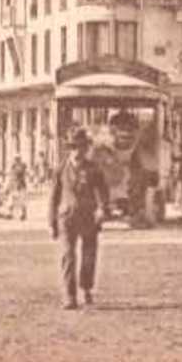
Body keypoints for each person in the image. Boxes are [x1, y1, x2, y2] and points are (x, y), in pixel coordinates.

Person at [49, 128, 109, 309]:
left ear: (85, 149)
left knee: (89, 255)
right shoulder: (60, 169)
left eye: (81, 147)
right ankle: (70, 296)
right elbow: (54, 197)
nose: (77, 151)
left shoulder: (93, 169)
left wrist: (101, 208)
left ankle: (87, 287)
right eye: (74, 147)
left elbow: (102, 192)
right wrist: (51, 222)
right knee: (67, 255)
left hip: (88, 218)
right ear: (69, 149)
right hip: (67, 218)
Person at [4, 155, 29, 221]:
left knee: (22, 201)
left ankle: (23, 214)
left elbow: (21, 173)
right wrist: (7, 186)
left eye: (17, 159)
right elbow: (10, 178)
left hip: (20, 186)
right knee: (11, 200)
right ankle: (10, 213)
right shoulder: (13, 167)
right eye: (15, 159)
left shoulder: (21, 166)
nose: (16, 160)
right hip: (14, 186)